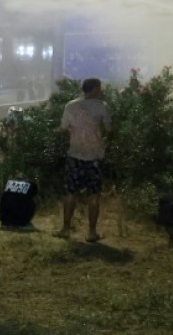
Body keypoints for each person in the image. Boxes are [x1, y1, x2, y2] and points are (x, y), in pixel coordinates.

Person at [56, 77, 112, 242]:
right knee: (93, 194)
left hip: (75, 155)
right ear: (94, 89)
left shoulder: (70, 106)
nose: (101, 90)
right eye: (99, 88)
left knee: (70, 192)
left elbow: (63, 128)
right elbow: (109, 129)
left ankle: (66, 229)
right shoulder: (102, 107)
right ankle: (92, 232)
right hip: (94, 157)